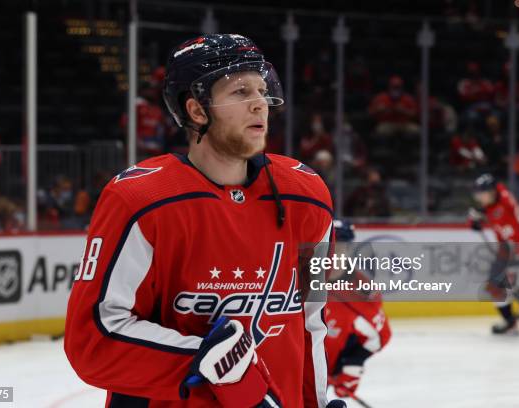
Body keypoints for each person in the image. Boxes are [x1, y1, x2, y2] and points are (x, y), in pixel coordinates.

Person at [65, 34, 344, 408]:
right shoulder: (140, 200)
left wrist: (317, 404)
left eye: (262, 90)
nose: (259, 104)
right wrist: (216, 368)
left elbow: (311, 319)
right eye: (241, 91)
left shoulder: (306, 194)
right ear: (197, 111)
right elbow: (94, 339)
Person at [325, 220, 391, 402]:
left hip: (318, 376)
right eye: (328, 247)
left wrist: (352, 363)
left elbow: (381, 334)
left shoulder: (362, 291)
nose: (334, 254)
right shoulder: (295, 278)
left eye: (340, 247)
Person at [468, 174, 519, 334]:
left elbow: (494, 215)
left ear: (492, 192)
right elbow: (490, 212)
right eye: (478, 194)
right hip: (513, 245)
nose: (479, 197)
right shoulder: (499, 194)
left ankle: (513, 320)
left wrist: (478, 218)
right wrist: (477, 218)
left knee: (498, 286)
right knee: (502, 284)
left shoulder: (500, 208)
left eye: (482, 194)